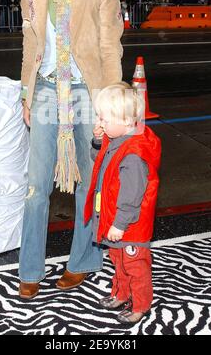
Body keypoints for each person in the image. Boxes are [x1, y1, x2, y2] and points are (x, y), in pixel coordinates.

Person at [18, 0, 123, 299]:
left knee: (89, 183)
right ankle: (30, 268)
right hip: (45, 89)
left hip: (87, 93)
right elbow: (30, 42)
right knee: (35, 185)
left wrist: (108, 101)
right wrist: (27, 93)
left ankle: (82, 260)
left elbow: (110, 45)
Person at [84, 83, 161, 325]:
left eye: (104, 118)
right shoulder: (118, 139)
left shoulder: (133, 155)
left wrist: (119, 224)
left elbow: (131, 196)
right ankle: (120, 293)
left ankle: (140, 305)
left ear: (127, 121)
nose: (100, 122)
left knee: (135, 265)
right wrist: (98, 142)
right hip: (114, 219)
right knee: (118, 260)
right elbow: (101, 163)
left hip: (129, 225)